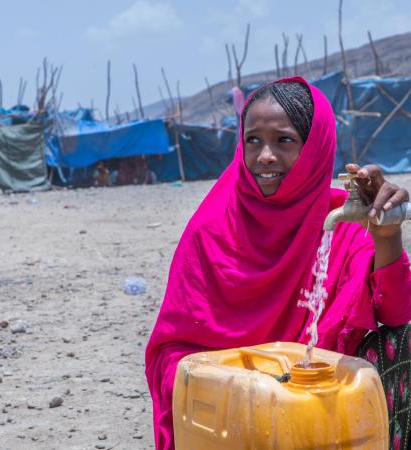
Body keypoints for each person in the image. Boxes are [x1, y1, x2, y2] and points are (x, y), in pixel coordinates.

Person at [145, 77, 411, 450]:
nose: (265, 156)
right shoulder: (212, 228)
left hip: (314, 401)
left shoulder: (342, 224)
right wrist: (245, 390)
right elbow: (172, 352)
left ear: (315, 147)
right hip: (229, 402)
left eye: (284, 140)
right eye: (253, 140)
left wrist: (386, 234)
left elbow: (396, 317)